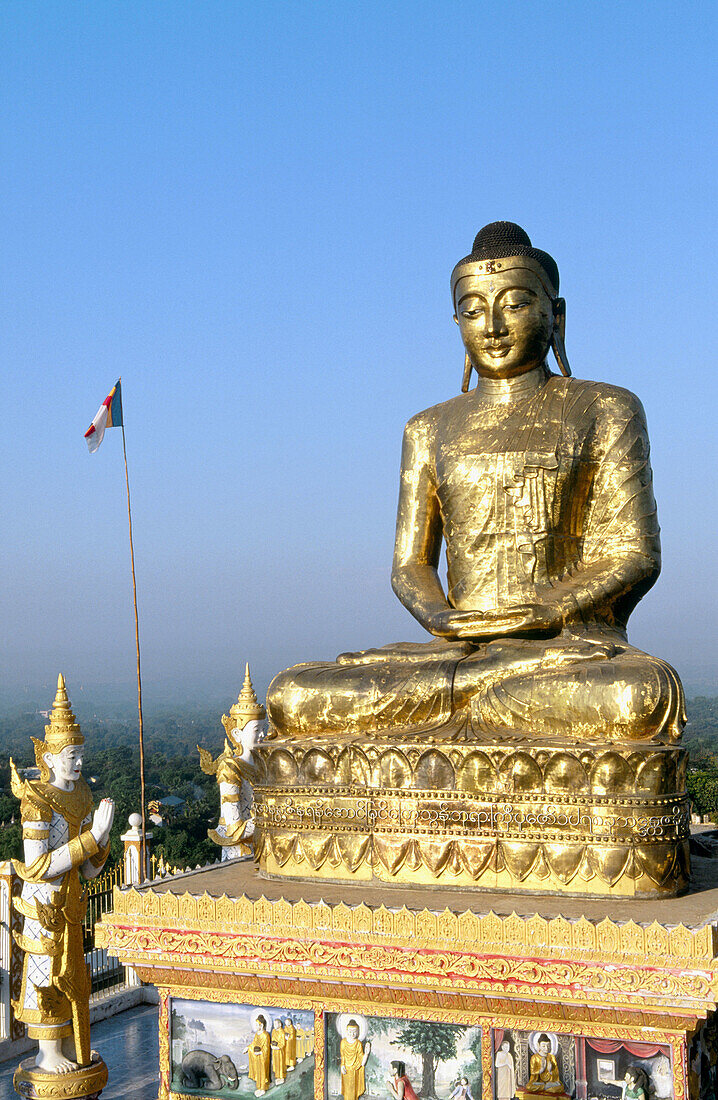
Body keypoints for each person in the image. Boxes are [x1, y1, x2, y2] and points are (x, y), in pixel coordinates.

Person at [267, 222, 684, 745]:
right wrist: (440, 616)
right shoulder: (428, 427)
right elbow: (410, 565)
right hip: (456, 653)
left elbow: (634, 553)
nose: (492, 325)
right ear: (456, 321)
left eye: (514, 304)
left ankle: (473, 694)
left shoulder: (605, 408)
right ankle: (472, 690)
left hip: (562, 653)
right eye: (472, 309)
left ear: (556, 315)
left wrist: (549, 610)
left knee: (639, 695)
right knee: (293, 695)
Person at [11, 675, 114, 1075]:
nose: (79, 763)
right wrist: (93, 838)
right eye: (72, 756)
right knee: (45, 973)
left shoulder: (83, 795)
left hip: (73, 903)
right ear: (50, 758)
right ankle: (47, 1051)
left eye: (80, 754)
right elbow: (37, 866)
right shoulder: (36, 800)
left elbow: (89, 870)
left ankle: (70, 1042)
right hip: (44, 904)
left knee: (74, 977)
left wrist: (101, 843)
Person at [340, 1019, 370, 1100]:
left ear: (357, 1032)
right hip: (346, 1069)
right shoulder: (343, 1042)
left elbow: (362, 1062)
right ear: (346, 1031)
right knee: (347, 1092)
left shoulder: (358, 1043)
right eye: (350, 1031)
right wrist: (342, 1065)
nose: (352, 1034)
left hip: (355, 1070)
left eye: (354, 1031)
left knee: (353, 1092)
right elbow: (343, 1055)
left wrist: (366, 1053)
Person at [247, 1014, 271, 1096]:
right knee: (258, 1071)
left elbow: (266, 1048)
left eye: (257, 1025)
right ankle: (259, 1087)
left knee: (263, 1072)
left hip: (263, 1057)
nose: (256, 1026)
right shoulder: (257, 1034)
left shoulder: (265, 1035)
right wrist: (248, 1048)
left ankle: (263, 1088)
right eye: (256, 1025)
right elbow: (254, 1044)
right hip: (257, 1056)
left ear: (262, 1025)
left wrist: (261, 1052)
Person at [271, 1018, 287, 1084]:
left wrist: (277, 1047)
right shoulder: (274, 1031)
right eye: (274, 1024)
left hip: (280, 1051)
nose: (274, 1025)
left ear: (280, 1024)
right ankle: (277, 1077)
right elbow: (272, 1040)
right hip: (274, 1050)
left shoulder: (282, 1032)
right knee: (275, 1063)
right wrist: (272, 1045)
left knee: (280, 1063)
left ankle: (282, 1077)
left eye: (276, 1024)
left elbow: (282, 1043)